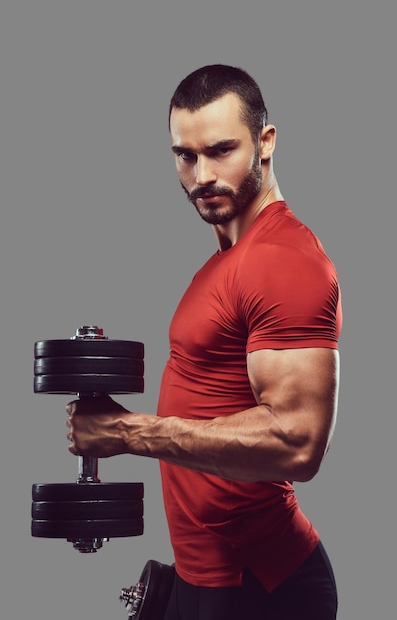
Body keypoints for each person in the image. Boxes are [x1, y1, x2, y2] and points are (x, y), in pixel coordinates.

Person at [66, 64, 342, 620]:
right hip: (206, 574)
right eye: (185, 155)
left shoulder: (283, 261)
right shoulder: (226, 262)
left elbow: (297, 443)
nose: (201, 175)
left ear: (265, 142)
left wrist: (126, 430)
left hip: (263, 585)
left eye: (220, 150)